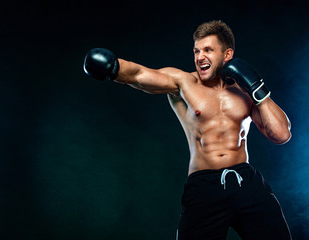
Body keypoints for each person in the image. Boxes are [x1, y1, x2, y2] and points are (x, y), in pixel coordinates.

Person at [83, 20, 292, 240]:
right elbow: (138, 74)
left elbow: (281, 134)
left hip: (245, 180)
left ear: (227, 54)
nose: (200, 57)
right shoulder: (183, 82)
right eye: (196, 51)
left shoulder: (245, 90)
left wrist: (257, 88)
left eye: (208, 50)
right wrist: (114, 67)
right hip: (205, 186)